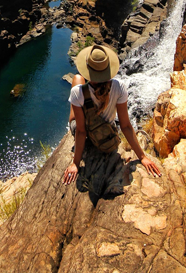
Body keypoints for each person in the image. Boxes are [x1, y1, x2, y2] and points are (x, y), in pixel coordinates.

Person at [63, 43, 161, 185]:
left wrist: (76, 163)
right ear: (107, 69)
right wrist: (142, 156)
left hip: (89, 138)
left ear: (89, 70)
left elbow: (80, 131)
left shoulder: (77, 93)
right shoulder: (119, 87)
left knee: (77, 79)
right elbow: (126, 125)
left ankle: (75, 106)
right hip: (108, 137)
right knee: (79, 84)